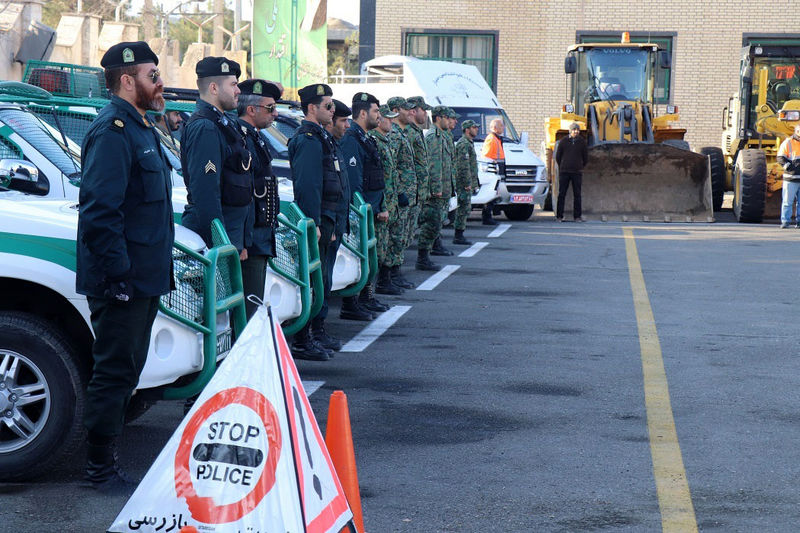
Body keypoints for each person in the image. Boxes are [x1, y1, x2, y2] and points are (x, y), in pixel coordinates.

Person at [76, 41, 173, 493]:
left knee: (128, 367)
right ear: (128, 80)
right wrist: (117, 276)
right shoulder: (113, 130)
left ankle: (106, 459)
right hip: (123, 279)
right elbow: (100, 211)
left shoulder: (140, 128)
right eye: (153, 75)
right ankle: (98, 468)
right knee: (115, 369)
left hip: (142, 275)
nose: (161, 83)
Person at [288, 83, 342, 361]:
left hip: (329, 218)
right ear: (312, 108)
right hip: (319, 220)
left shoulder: (321, 137)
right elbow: (309, 186)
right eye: (328, 106)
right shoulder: (308, 139)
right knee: (312, 281)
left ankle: (313, 333)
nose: (333, 111)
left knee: (321, 280)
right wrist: (315, 223)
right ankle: (303, 338)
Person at [181, 57, 251, 252]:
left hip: (229, 235)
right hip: (217, 241)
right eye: (233, 85)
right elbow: (206, 192)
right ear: (214, 88)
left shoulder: (223, 123)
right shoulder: (206, 127)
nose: (238, 91)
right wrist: (219, 244)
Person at [340, 91, 391, 314]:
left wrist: (379, 206)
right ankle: (351, 304)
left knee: (369, 258)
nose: (379, 116)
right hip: (360, 212)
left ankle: (366, 298)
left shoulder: (364, 137)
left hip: (371, 209)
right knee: (357, 257)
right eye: (376, 111)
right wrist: (360, 211)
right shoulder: (352, 139)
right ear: (362, 113)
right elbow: (355, 181)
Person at [236, 79, 282, 318]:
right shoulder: (240, 138)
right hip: (251, 237)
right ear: (251, 110)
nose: (275, 114)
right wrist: (243, 239)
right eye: (270, 108)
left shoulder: (255, 137)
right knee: (248, 308)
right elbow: (243, 194)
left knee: (254, 302)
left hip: (260, 234)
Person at [324, 99, 369, 326]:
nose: (347, 126)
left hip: (337, 222)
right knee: (322, 279)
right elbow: (312, 190)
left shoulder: (333, 143)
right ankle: (309, 336)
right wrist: (327, 227)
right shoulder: (315, 143)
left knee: (327, 277)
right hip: (327, 225)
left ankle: (316, 332)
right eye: (343, 121)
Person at [370, 105, 404, 295]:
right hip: (382, 204)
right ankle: (376, 287)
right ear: (379, 120)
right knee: (378, 249)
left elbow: (392, 174)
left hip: (389, 202)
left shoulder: (384, 141)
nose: (392, 122)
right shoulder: (375, 141)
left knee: (386, 245)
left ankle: (385, 280)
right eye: (388, 118)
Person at [386, 96, 418, 288]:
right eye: (407, 109)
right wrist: (400, 193)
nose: (411, 113)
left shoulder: (402, 133)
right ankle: (388, 278)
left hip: (405, 195)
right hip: (398, 196)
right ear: (397, 110)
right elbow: (392, 168)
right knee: (395, 238)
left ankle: (395, 275)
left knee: (402, 236)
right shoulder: (394, 135)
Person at [418, 106, 453, 271]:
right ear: (438, 118)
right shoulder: (433, 137)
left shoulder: (442, 136)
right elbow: (433, 165)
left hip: (443, 189)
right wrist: (436, 188)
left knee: (437, 223)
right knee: (430, 224)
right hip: (436, 192)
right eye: (447, 117)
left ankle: (426, 255)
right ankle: (422, 258)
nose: (450, 120)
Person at [404, 96, 432, 275]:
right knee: (402, 235)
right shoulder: (409, 133)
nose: (426, 114)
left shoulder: (416, 132)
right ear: (414, 110)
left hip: (417, 193)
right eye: (424, 110)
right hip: (409, 193)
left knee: (407, 234)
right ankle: (389, 276)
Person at [554, 122, 589, 222]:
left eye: (577, 130)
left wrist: (580, 166)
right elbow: (558, 157)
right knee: (561, 194)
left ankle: (577, 217)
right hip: (564, 172)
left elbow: (585, 157)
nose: (576, 132)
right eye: (574, 130)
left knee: (577, 195)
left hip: (577, 172)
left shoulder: (582, 142)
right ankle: (559, 216)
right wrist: (563, 166)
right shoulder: (563, 141)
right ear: (570, 131)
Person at [453, 119, 480, 245]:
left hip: (468, 181)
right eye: (474, 127)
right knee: (463, 207)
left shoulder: (469, 143)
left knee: (465, 207)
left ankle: (460, 233)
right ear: (467, 130)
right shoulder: (463, 144)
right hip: (464, 182)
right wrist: (467, 183)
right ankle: (458, 235)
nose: (477, 129)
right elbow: (463, 165)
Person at [481, 118, 505, 225]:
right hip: (492, 171)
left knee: (494, 194)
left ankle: (489, 215)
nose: (503, 127)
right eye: (501, 126)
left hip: (496, 170)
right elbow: (486, 156)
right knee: (491, 194)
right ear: (495, 128)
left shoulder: (496, 138)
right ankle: (487, 217)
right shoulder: (492, 139)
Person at [778, 124, 800, 228]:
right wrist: (790, 167)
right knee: (787, 202)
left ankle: (799, 222)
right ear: (796, 131)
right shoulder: (788, 142)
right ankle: (785, 221)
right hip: (791, 178)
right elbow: (781, 157)